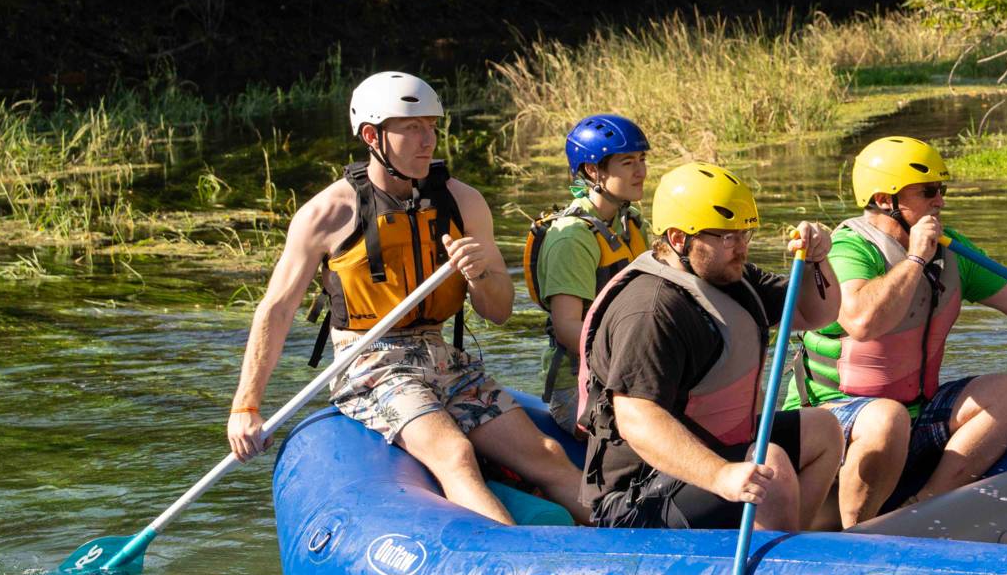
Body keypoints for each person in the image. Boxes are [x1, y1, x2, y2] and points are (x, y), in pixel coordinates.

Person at [226, 72, 589, 525]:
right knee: (454, 453)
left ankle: (629, 544)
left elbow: (497, 311)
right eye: (412, 128)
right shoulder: (328, 214)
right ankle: (513, 566)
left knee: (548, 454)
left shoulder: (464, 202)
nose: (428, 140)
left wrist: (478, 275)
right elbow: (277, 310)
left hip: (443, 356)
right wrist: (246, 406)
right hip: (368, 362)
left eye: (432, 126)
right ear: (372, 136)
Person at [578, 162, 845, 532]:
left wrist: (817, 260)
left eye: (745, 234)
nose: (741, 248)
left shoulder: (730, 276)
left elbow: (814, 312)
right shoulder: (651, 310)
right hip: (638, 497)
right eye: (727, 237)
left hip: (722, 447)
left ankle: (791, 541)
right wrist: (721, 475)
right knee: (773, 467)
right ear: (677, 238)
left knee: (824, 430)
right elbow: (637, 418)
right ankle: (777, 561)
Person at [785, 136, 1007, 528]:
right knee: (886, 417)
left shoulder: (953, 252)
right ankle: (857, 537)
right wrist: (916, 258)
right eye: (929, 192)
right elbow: (862, 322)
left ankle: (921, 509)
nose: (941, 202)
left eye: (942, 190)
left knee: (1006, 391)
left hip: (914, 416)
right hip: (835, 424)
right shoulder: (848, 250)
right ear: (886, 200)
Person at [524, 113, 650, 428]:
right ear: (593, 171)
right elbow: (568, 329)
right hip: (579, 390)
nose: (641, 171)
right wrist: (637, 358)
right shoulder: (572, 237)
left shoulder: (629, 222)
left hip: (629, 375)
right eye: (627, 163)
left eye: (642, 159)